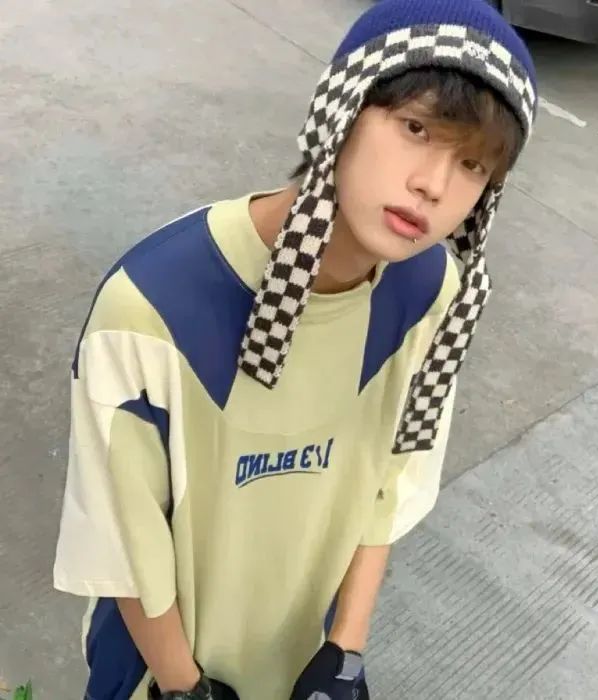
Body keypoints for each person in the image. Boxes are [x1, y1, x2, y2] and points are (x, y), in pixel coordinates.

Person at [52, 0, 538, 698]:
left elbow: (388, 480)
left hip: (306, 662)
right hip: (159, 672)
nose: (433, 185)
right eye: (415, 128)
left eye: (472, 163)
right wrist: (185, 687)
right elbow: (124, 542)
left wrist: (344, 654)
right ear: (342, 111)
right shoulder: (152, 303)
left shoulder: (433, 293)